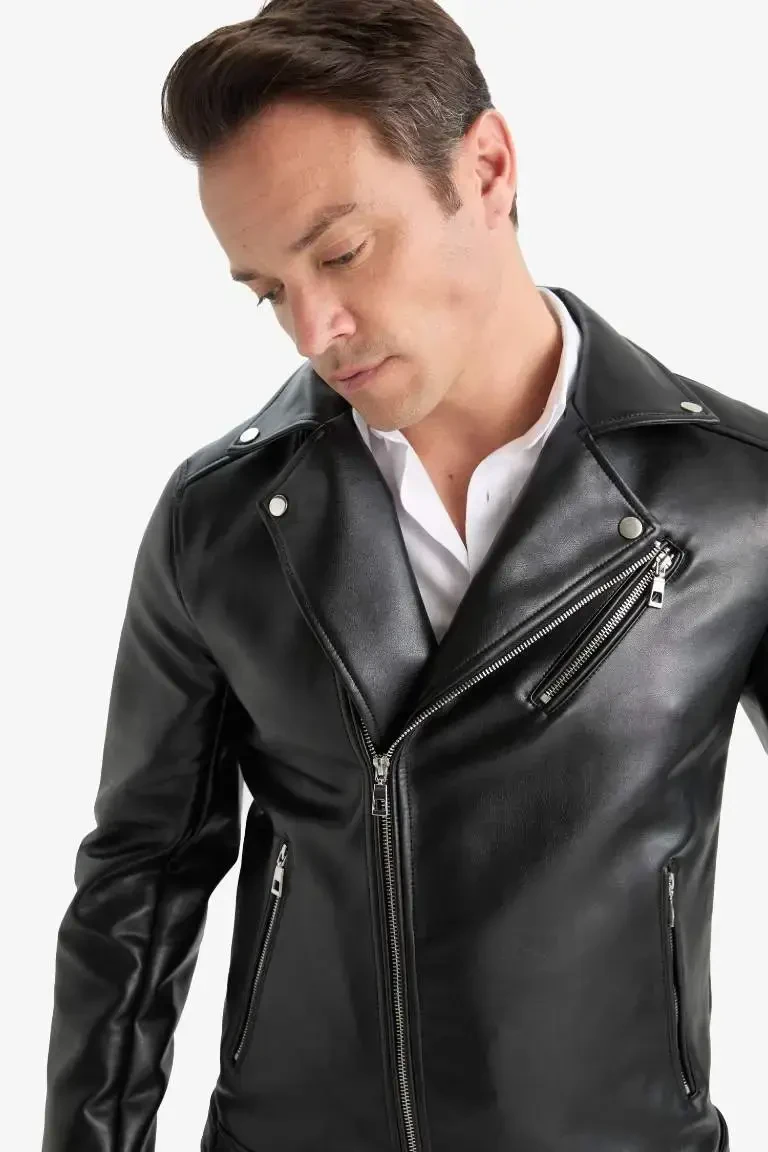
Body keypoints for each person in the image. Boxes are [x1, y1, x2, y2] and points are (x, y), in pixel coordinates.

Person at [41, 2, 766, 1150]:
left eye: (341, 252)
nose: (313, 330)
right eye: (268, 290)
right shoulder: (219, 522)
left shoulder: (734, 494)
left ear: (487, 169)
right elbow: (139, 881)